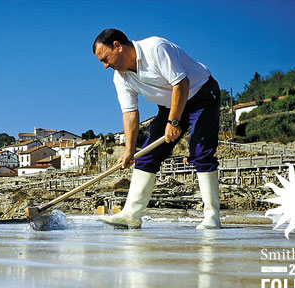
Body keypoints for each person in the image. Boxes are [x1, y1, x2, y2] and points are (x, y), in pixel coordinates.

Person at [93, 29, 221, 229]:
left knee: (200, 153)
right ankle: (131, 215)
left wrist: (174, 122)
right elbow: (130, 113)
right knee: (145, 155)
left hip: (201, 96)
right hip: (169, 106)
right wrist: (129, 150)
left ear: (117, 46)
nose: (105, 65)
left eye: (105, 58)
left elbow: (181, 83)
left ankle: (212, 217)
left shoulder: (155, 48)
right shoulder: (121, 78)